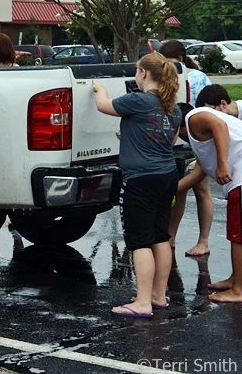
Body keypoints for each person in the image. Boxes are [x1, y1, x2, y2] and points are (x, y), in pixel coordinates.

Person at [92, 52, 182, 317]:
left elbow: (103, 106)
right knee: (159, 236)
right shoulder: (172, 107)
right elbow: (172, 141)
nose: (135, 76)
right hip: (167, 175)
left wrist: (99, 88)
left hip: (141, 179)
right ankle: (157, 295)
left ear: (143, 73)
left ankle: (142, 302)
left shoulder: (138, 100)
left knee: (140, 240)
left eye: (136, 71)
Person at [176, 103, 242, 303]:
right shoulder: (199, 141)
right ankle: (235, 280)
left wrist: (222, 164)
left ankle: (238, 290)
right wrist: (165, 192)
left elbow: (219, 125)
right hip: (237, 180)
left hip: (240, 178)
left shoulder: (194, 117)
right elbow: (197, 175)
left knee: (238, 236)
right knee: (236, 234)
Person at [160, 40, 213, 256]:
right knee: (179, 189)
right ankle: (170, 236)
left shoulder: (197, 78)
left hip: (196, 139)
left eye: (170, 62)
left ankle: (204, 240)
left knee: (201, 190)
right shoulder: (166, 77)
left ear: (180, 59)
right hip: (176, 140)